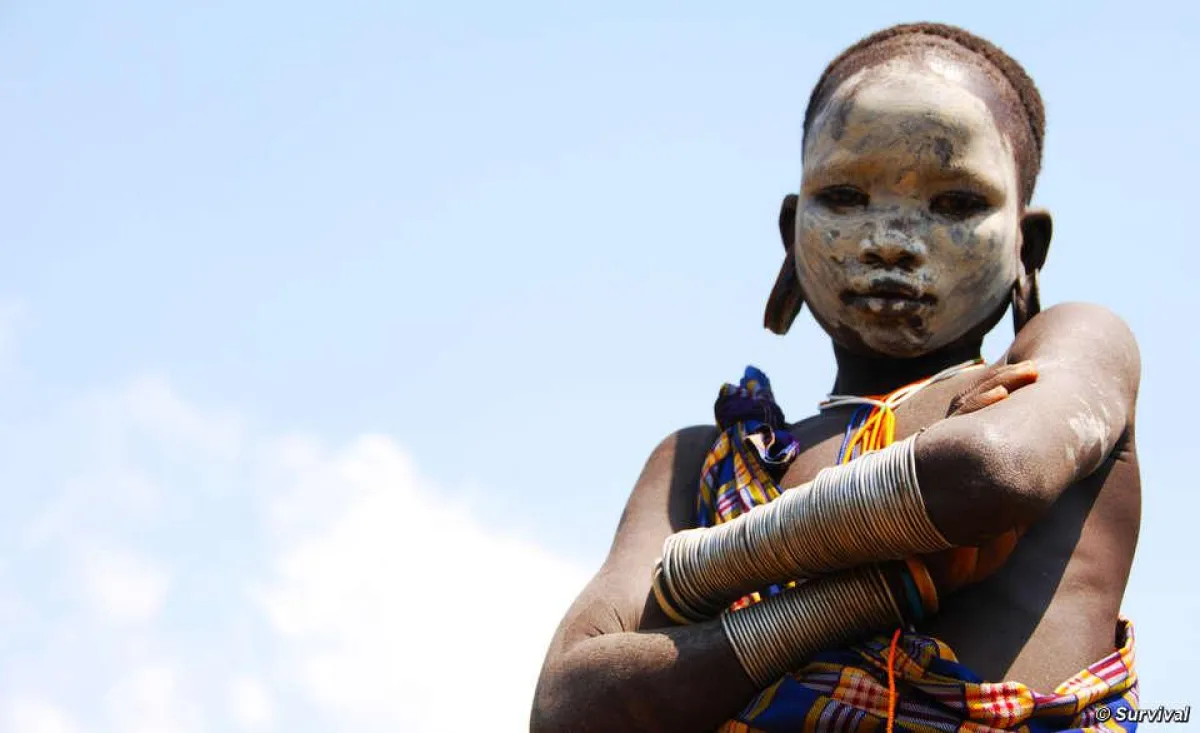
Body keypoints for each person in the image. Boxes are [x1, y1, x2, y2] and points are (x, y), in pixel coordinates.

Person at [530, 22, 1141, 733]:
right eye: (846, 196)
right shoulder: (700, 462)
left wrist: (697, 575)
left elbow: (991, 473)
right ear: (791, 234)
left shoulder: (1076, 345)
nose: (891, 240)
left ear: (1025, 246)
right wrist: (867, 593)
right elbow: (570, 707)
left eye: (956, 203)